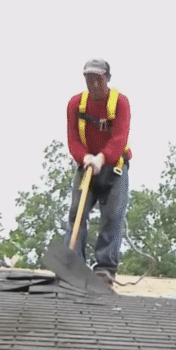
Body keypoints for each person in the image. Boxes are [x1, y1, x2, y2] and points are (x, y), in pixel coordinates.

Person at [64, 58, 132, 284]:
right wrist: (86, 158)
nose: (93, 85)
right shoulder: (75, 104)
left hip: (114, 167)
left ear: (108, 79)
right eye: (89, 79)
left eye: (98, 80)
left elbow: (119, 138)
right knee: (77, 212)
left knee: (112, 215)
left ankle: (104, 268)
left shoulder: (120, 103)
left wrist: (102, 158)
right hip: (87, 165)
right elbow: (73, 140)